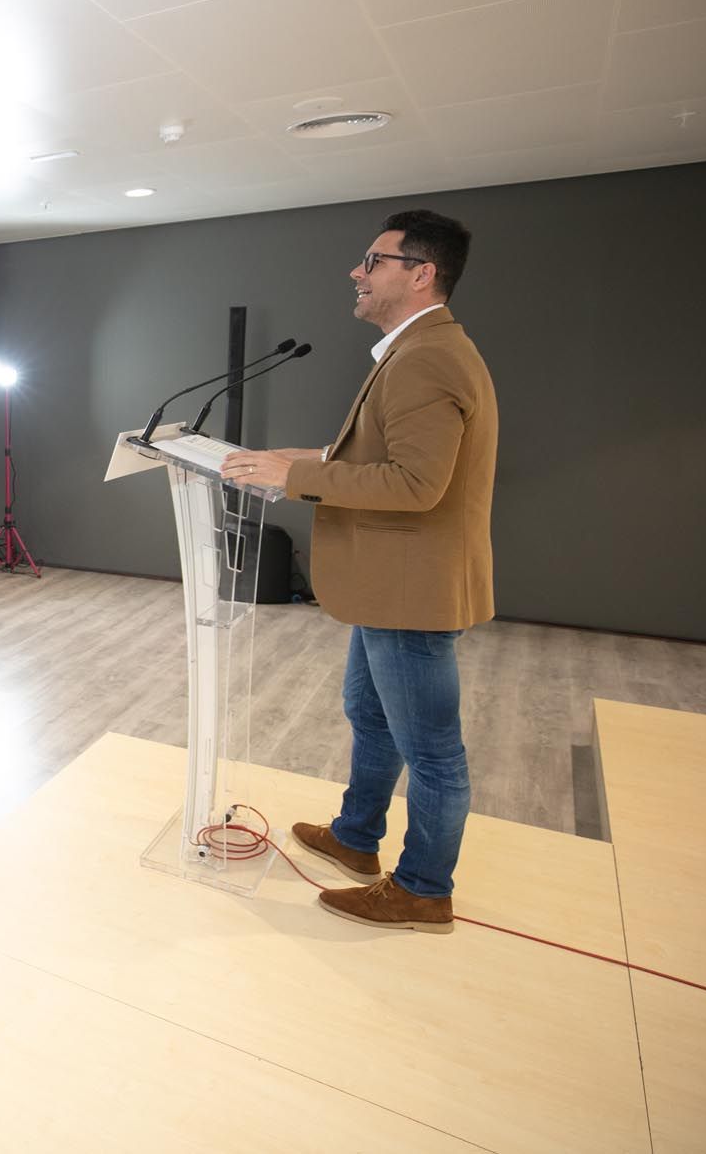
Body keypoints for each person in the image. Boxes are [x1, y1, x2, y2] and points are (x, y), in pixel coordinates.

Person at [220, 209, 496, 935]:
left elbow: (415, 484)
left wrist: (300, 477)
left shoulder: (428, 357)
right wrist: (290, 464)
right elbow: (377, 457)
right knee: (370, 716)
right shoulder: (415, 351)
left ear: (420, 272)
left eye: (373, 260)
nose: (357, 272)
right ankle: (356, 835)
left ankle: (422, 888)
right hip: (388, 582)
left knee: (432, 750)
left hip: (409, 588)